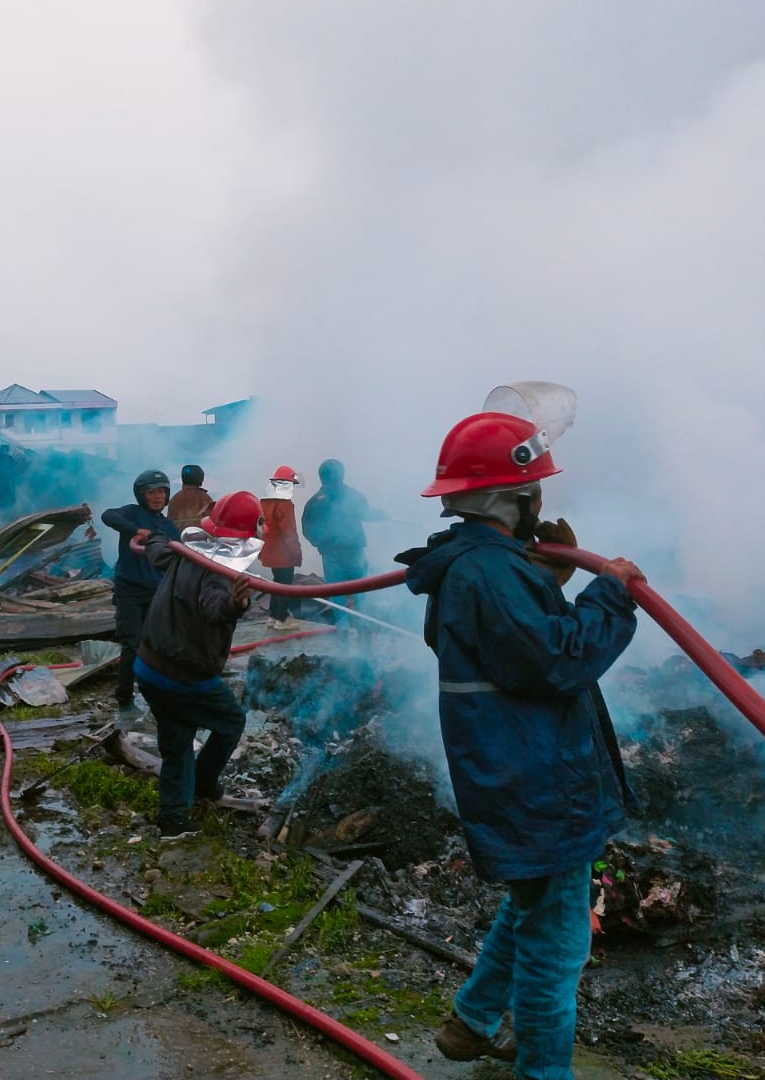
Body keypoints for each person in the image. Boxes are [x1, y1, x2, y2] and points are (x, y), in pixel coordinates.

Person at [397, 411, 644, 1079]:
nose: (543, 503)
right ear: (518, 497)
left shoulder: (478, 566)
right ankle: (542, 1071)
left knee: (534, 902)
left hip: (513, 771)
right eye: (536, 490)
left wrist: (548, 586)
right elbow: (559, 660)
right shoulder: (491, 571)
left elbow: (510, 643)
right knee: (556, 952)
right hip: (538, 780)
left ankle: (472, 1021)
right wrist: (610, 593)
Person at [132, 492, 258, 838]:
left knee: (177, 739)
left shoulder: (187, 549)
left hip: (149, 667)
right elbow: (215, 606)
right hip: (184, 676)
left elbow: (159, 550)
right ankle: (203, 783)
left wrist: (154, 536)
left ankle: (173, 818)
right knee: (231, 721)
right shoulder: (221, 571)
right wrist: (235, 604)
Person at [101, 470, 177, 716]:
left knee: (159, 647)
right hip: (129, 591)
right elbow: (107, 515)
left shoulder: (168, 527)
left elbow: (180, 557)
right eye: (152, 492)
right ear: (141, 494)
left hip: (157, 592)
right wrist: (136, 530)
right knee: (132, 645)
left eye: (162, 491)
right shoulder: (132, 513)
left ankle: (158, 696)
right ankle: (124, 699)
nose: (157, 497)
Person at [301, 459, 383, 629]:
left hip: (331, 554)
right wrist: (381, 515)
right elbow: (367, 513)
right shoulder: (352, 496)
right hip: (354, 552)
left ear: (321, 477)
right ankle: (363, 640)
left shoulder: (314, 502)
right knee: (361, 595)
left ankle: (343, 643)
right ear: (342, 474)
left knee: (337, 598)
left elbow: (307, 529)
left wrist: (321, 543)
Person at [259, 465, 303, 630]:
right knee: (284, 584)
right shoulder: (285, 505)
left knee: (277, 582)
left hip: (268, 550)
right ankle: (282, 619)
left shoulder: (263, 502)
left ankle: (273, 615)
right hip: (282, 553)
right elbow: (289, 533)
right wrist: (296, 554)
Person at [166, 464, 213, 532]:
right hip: (199, 539)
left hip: (178, 539)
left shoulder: (174, 499)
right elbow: (212, 522)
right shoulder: (204, 498)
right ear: (200, 478)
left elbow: (169, 523)